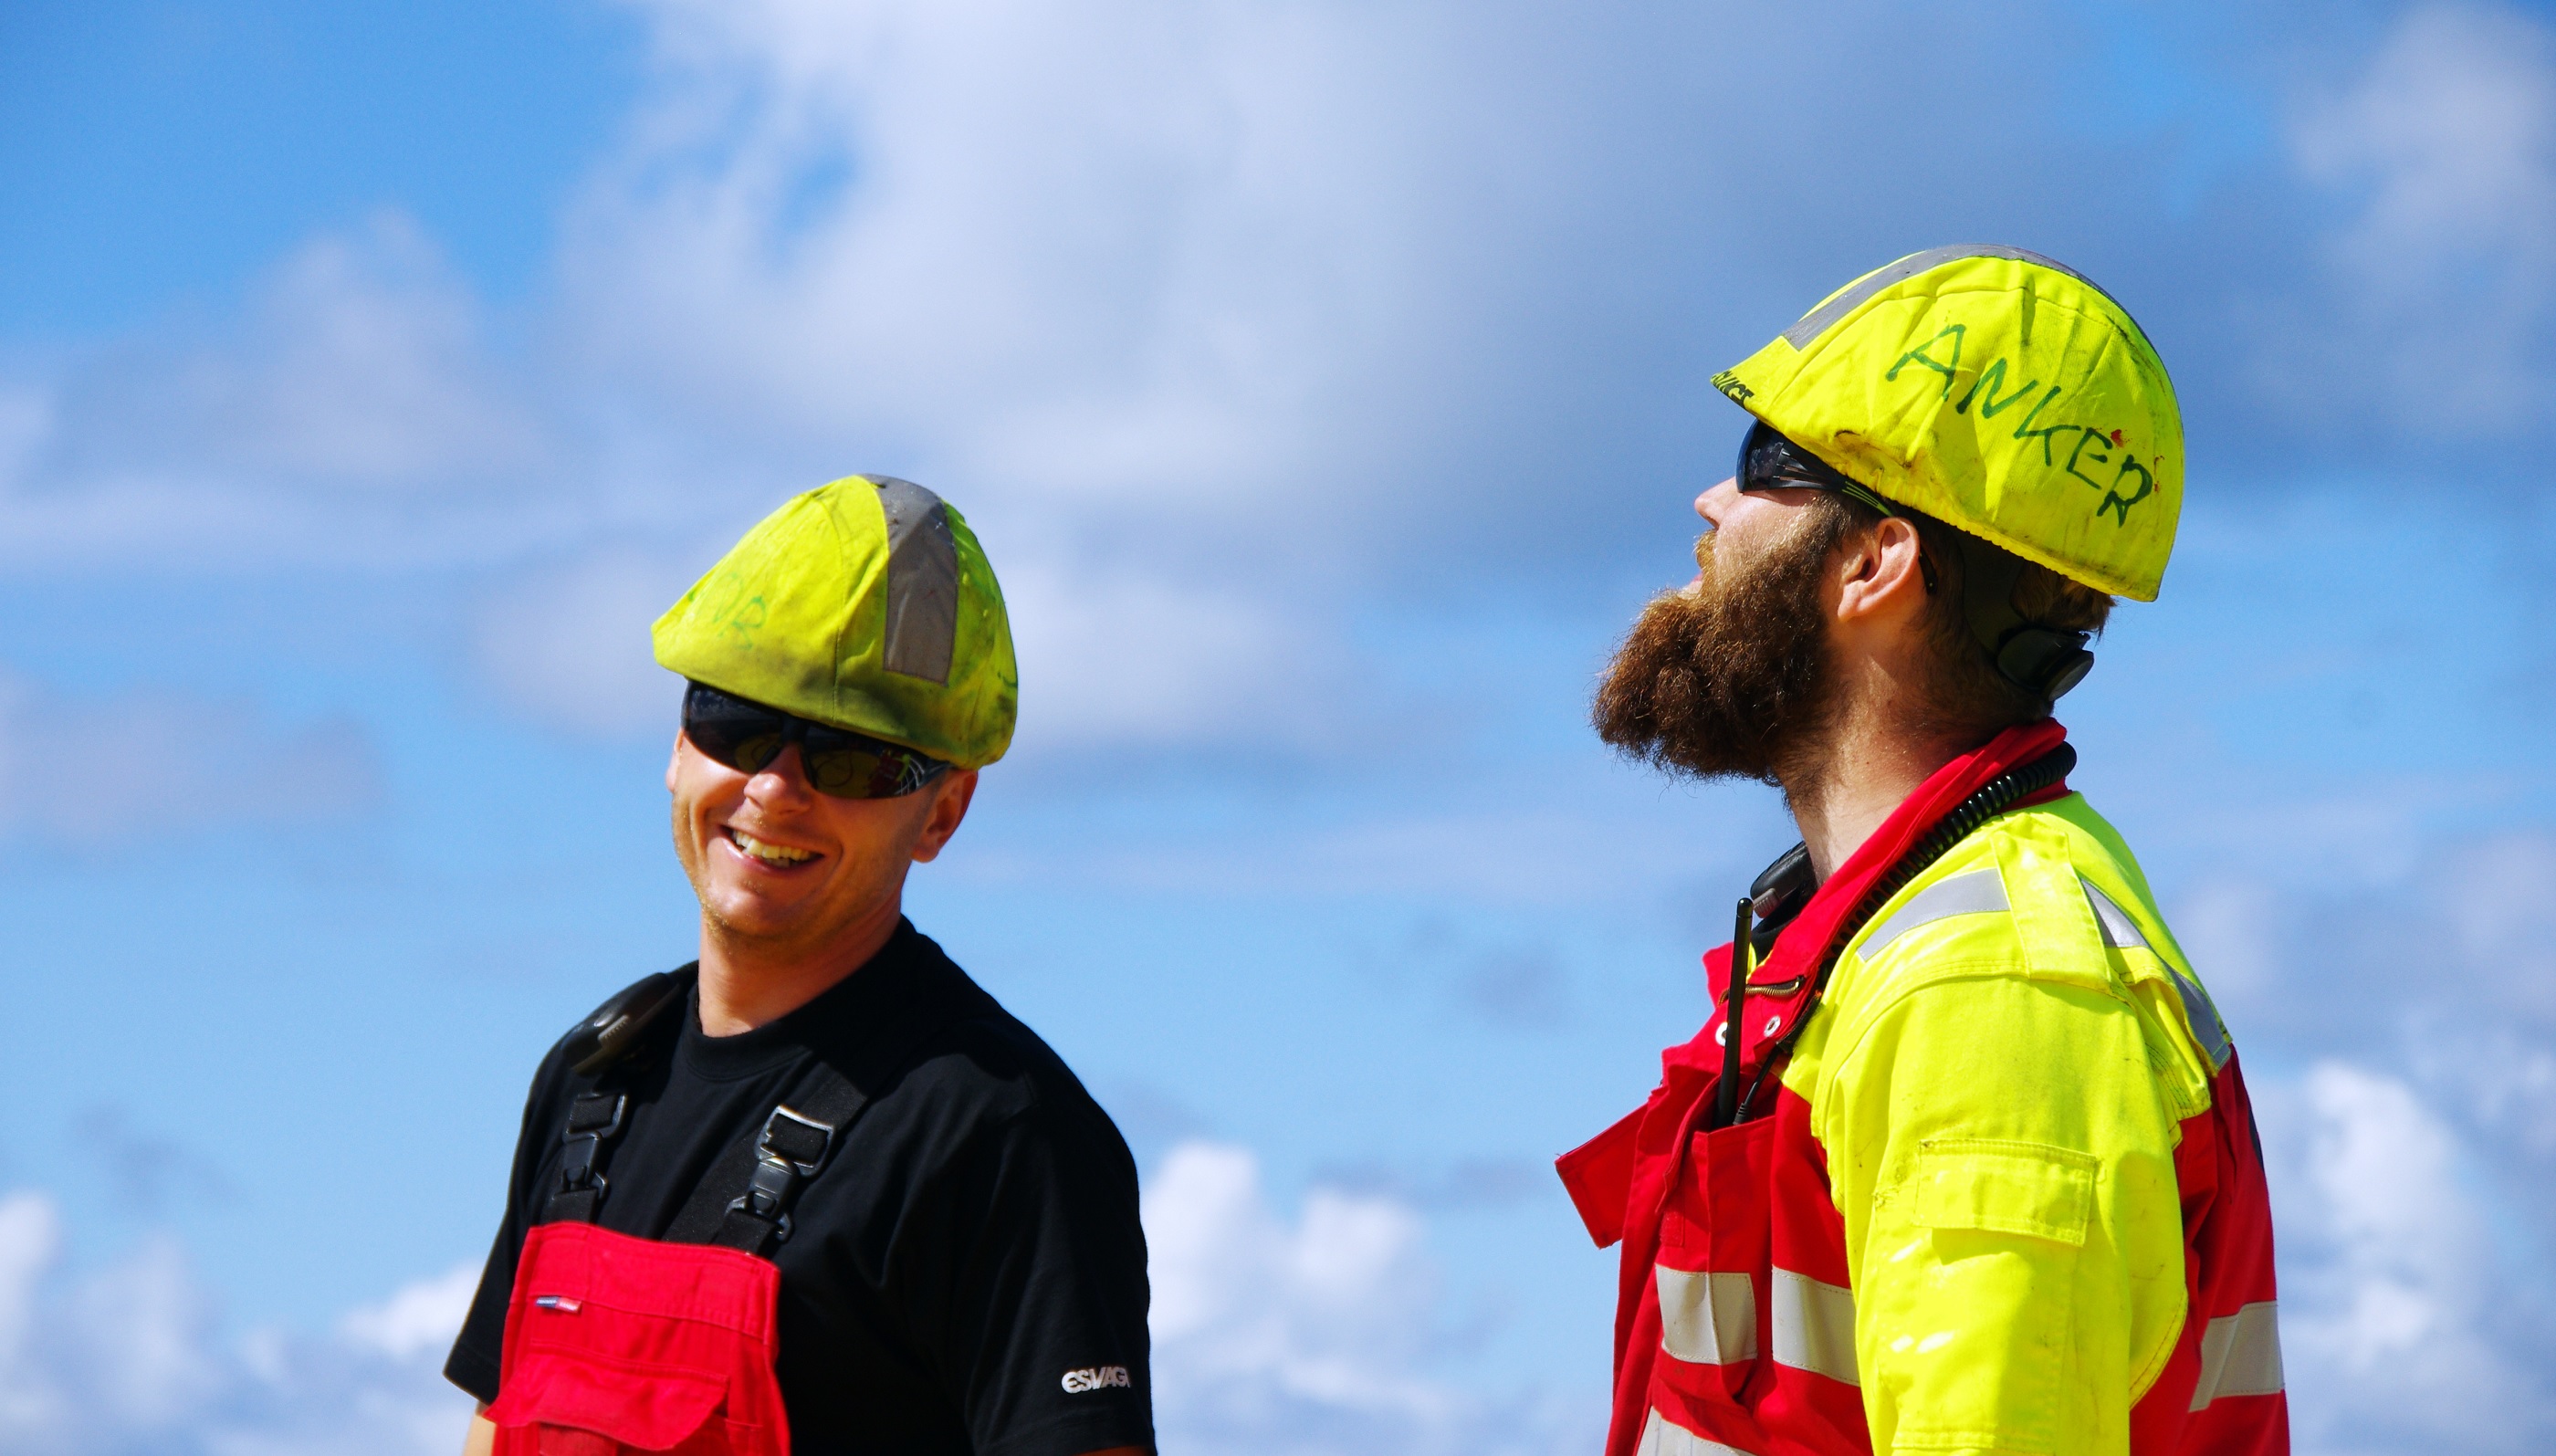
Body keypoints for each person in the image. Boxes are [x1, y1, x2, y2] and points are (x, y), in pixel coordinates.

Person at [1558, 247, 2285, 1456]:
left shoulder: (1989, 981)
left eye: (1763, 467)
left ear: (1875, 562)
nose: (1710, 503)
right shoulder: (1880, 939)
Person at [445, 476, 1153, 1456]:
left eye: (853, 755)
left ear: (942, 812)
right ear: (679, 744)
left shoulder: (999, 1133)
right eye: (733, 719)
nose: (776, 787)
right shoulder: (589, 1082)